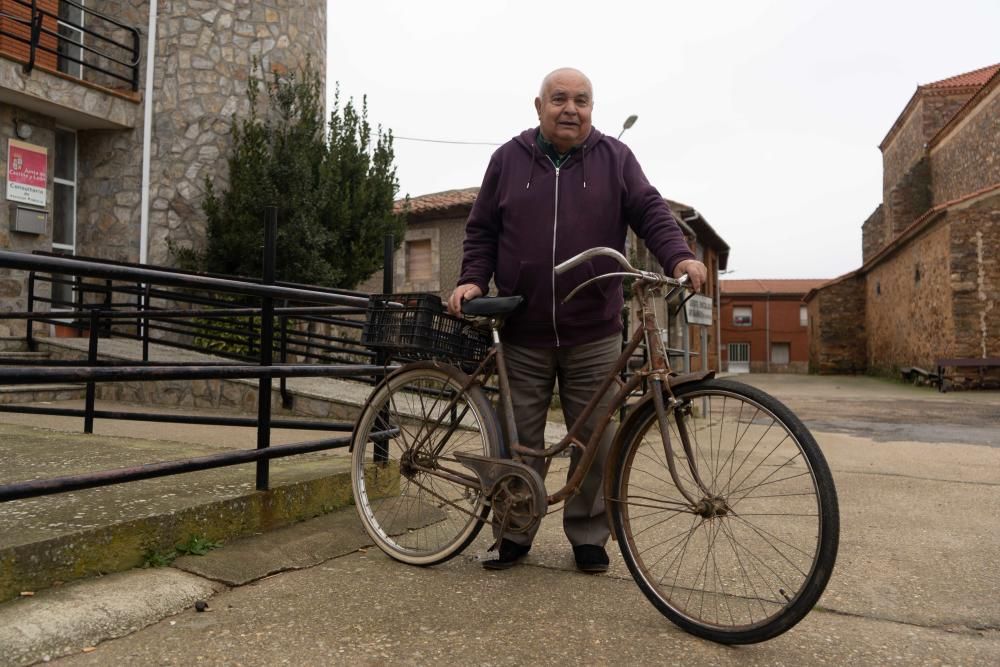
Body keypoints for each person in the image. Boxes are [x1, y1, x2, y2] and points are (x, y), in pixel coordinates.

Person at [448, 67, 707, 573]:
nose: (571, 108)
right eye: (559, 98)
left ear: (593, 108)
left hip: (594, 331)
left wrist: (678, 256)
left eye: (581, 100)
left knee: (597, 439)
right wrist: (472, 279)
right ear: (538, 105)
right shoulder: (508, 159)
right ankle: (514, 533)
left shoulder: (616, 159)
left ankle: (589, 535)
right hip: (523, 330)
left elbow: (651, 211)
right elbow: (481, 230)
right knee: (518, 440)